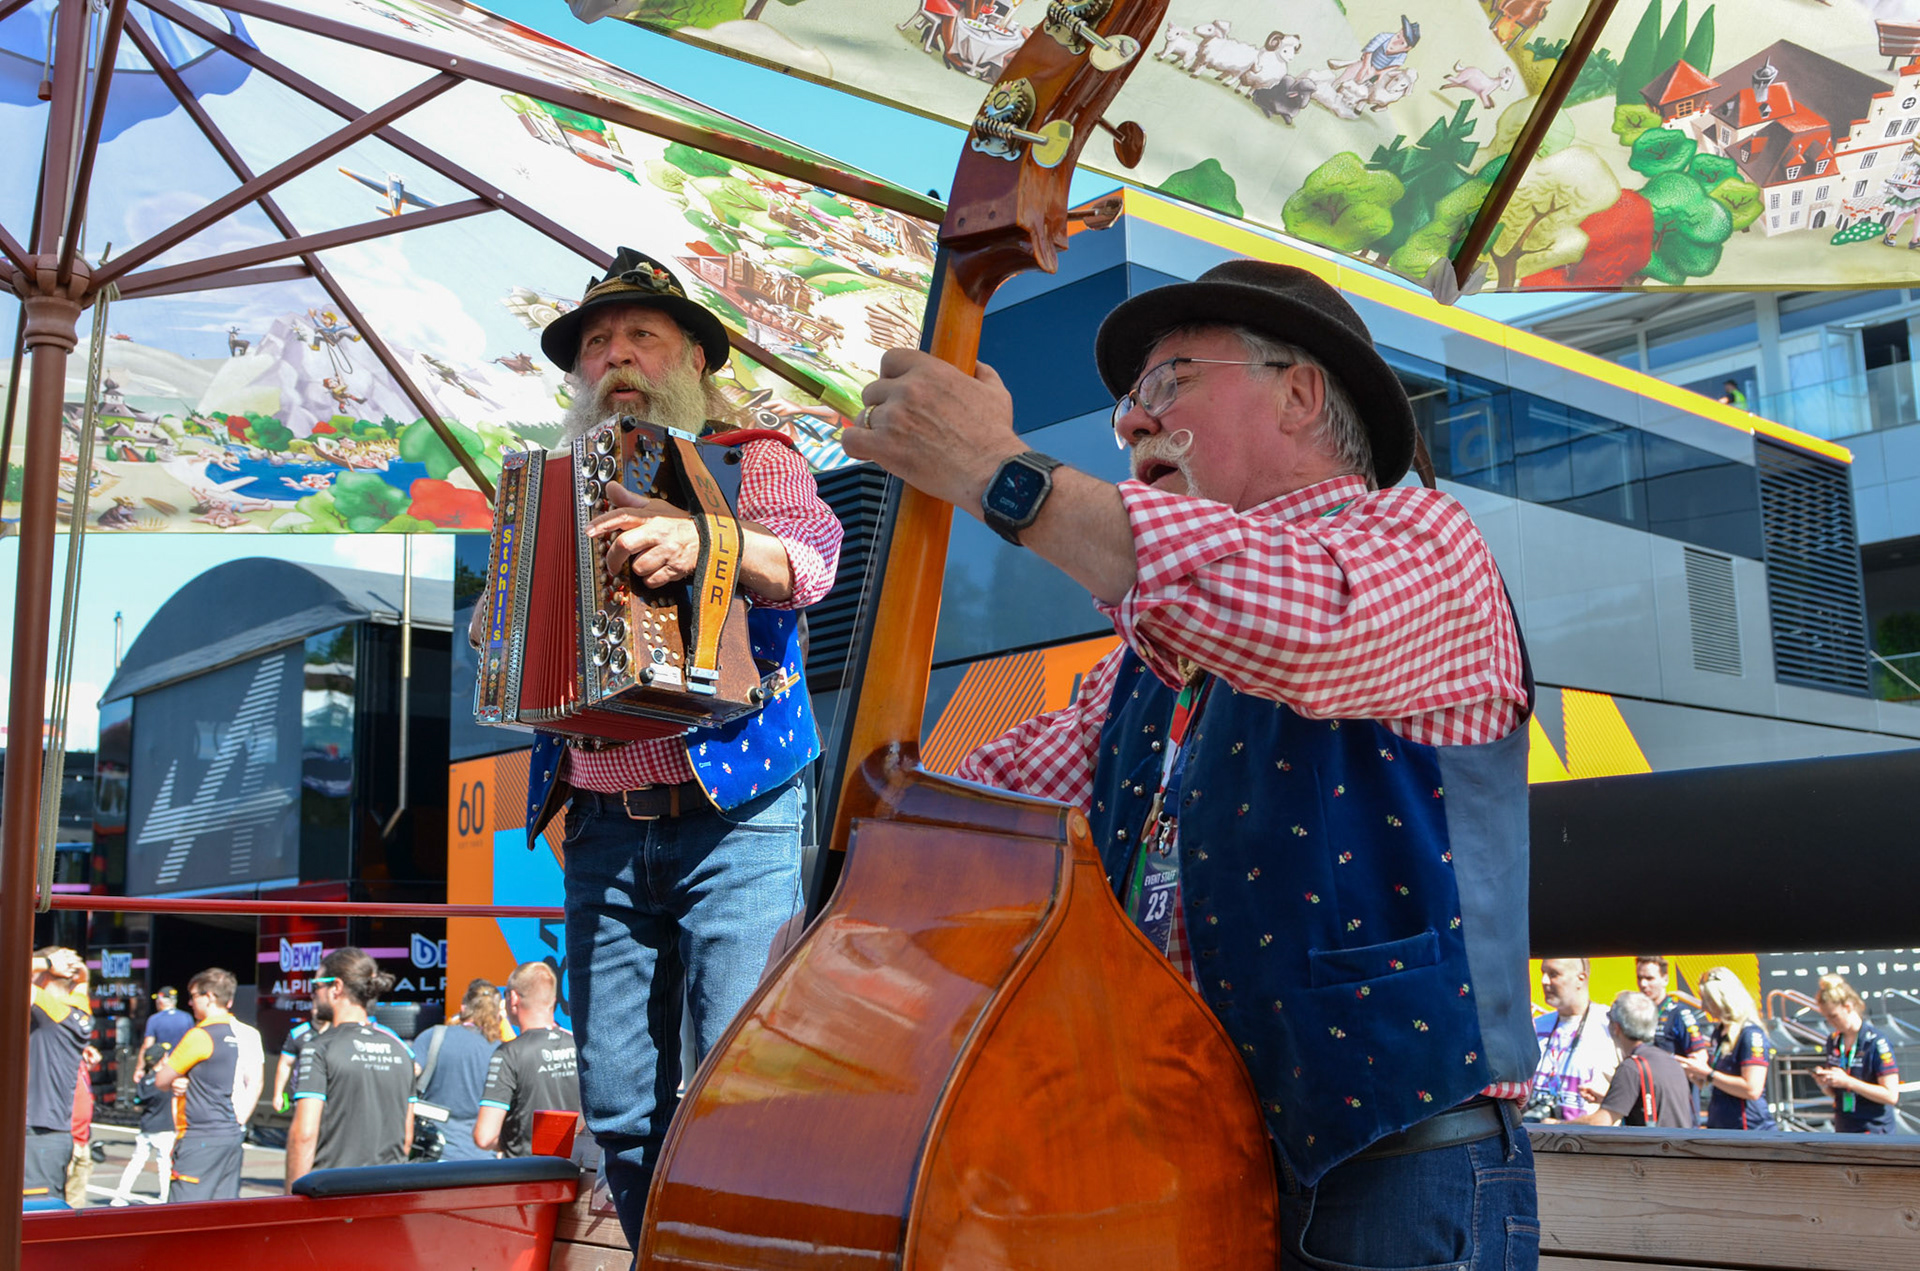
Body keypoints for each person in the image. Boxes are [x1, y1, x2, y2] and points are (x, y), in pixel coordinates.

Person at [844, 260, 1539, 1271]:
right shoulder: (1141, 658)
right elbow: (984, 808)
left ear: (1300, 392)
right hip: (1185, 1162)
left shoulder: (1425, 540)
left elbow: (1303, 625)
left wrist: (999, 471)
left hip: (1393, 1170)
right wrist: (856, 844)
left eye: (1169, 381)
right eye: (1130, 399)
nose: (1130, 423)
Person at [469, 249, 841, 1243]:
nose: (616, 358)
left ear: (696, 359)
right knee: (623, 1106)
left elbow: (809, 563)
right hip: (598, 824)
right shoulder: (548, 485)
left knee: (736, 1081)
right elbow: (505, 633)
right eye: (596, 343)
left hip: (739, 816)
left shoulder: (756, 456)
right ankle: (668, 1257)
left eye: (641, 335)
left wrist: (704, 541)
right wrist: (498, 625)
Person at [286, 948, 416, 1188]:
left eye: (316, 986)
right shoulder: (401, 1051)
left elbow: (303, 1136)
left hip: (335, 1195)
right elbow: (406, 1138)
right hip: (389, 1194)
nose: (313, 995)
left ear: (336, 987)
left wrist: (291, 1203)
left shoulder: (319, 1049)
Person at [152, 968, 248, 1201]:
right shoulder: (237, 1033)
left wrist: (175, 1077)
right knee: (222, 1215)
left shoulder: (199, 1035)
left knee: (183, 1217)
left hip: (199, 1135)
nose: (191, 1002)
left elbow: (161, 1080)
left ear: (210, 997)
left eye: (194, 996)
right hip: (229, 1132)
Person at [475, 963, 581, 1157]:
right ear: (553, 1000)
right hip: (574, 1174)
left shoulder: (509, 1053)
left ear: (514, 998)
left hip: (526, 1176)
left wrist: (507, 1143)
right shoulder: (578, 1045)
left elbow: (485, 1136)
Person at [1561, 992, 1695, 1128]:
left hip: (1653, 1148)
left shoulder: (1631, 1067)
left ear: (1616, 1027)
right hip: (1679, 1147)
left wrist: (1559, 1124)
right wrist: (1609, 1100)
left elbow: (1602, 1122)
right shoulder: (1669, 1061)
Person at [412, 979, 505, 1161]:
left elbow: (410, 1074)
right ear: (496, 1015)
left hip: (434, 1152)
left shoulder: (433, 1036)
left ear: (463, 1008)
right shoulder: (501, 1050)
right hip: (484, 1158)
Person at [26, 947, 92, 1201]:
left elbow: (9, 968)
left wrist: (46, 962)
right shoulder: (79, 1013)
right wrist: (83, 977)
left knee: (29, 1221)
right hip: (55, 1134)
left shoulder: (48, 1009)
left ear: (45, 976)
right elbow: (82, 987)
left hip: (36, 1133)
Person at [1676, 966, 1775, 1130]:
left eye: (1707, 1000)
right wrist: (1694, 1074)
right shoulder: (1719, 1032)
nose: (1703, 1007)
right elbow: (1717, 1085)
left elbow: (1752, 1089)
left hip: (1749, 1129)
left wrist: (1707, 1073)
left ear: (1723, 1000)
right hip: (1721, 1124)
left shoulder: (1750, 1034)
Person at [1811, 973, 1900, 1134]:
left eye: (1834, 1016)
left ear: (1848, 1007)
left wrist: (1848, 1082)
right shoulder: (1834, 1041)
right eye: (1826, 1018)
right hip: (1844, 1127)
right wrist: (1824, 1082)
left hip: (1874, 1130)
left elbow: (1891, 1096)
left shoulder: (1876, 1041)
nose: (1831, 1023)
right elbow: (1836, 1092)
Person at [1532, 958, 1618, 1122]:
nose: (1544, 981)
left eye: (1554, 974)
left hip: (1591, 1143)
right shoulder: (1538, 1025)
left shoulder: (1610, 1026)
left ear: (1581, 978)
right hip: (1536, 1138)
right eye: (1543, 973)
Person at [111, 1036, 178, 1204]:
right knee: (164, 1164)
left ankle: (120, 1194)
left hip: (147, 1126)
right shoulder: (164, 1081)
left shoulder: (145, 1081)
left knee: (137, 1161)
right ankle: (165, 1197)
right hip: (165, 1127)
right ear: (163, 1059)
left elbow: (138, 1100)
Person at [1635, 955, 1708, 1062]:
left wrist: (1670, 1061)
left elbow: (1700, 1057)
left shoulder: (1679, 1013)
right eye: (1639, 978)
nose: (1643, 984)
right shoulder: (1636, 1013)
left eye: (1649, 978)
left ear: (1665, 979)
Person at [273, 1003, 327, 1113]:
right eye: (317, 1008)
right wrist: (278, 1093)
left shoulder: (337, 1031)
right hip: (303, 1094)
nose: (319, 1013)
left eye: (323, 1009)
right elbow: (285, 1064)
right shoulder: (298, 1033)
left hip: (329, 1094)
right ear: (312, 1009)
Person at [1339, 15, 1420, 86]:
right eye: (1398, 36)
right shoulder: (1384, 37)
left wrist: (1381, 72)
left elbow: (1395, 66)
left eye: (1401, 43)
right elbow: (1369, 50)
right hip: (1368, 60)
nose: (1395, 43)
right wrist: (1366, 65)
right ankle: (1339, 80)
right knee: (1357, 70)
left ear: (1407, 48)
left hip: (1377, 69)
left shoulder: (1402, 56)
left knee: (1366, 80)